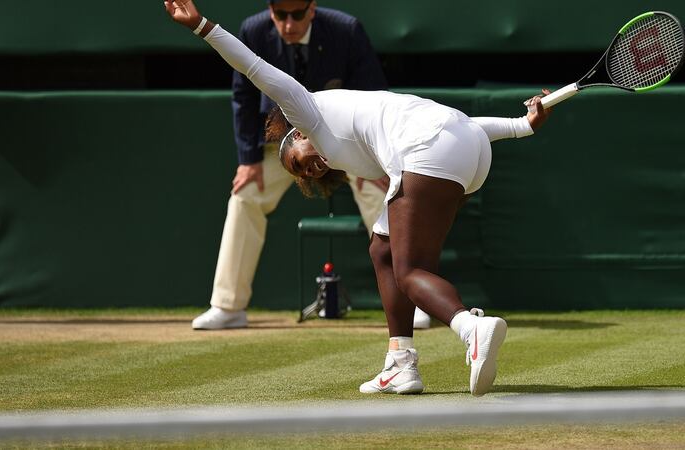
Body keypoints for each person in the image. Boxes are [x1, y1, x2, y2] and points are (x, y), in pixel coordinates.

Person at [164, 0, 551, 396]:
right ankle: (400, 363)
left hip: (433, 149)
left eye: (297, 162)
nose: (307, 170)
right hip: (468, 149)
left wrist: (202, 27)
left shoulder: (306, 112)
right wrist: (522, 126)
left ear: (296, 136)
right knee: (382, 251)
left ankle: (471, 327)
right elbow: (461, 128)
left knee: (409, 271)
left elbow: (255, 69)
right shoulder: (352, 140)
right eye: (302, 175)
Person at [190, 0, 433, 330]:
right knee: (245, 195)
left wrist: (379, 159)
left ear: (313, 9)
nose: (289, 24)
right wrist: (248, 161)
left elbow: (377, 97)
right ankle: (228, 306)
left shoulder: (346, 30)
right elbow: (243, 98)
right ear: (270, 11)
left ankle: (415, 298)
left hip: (347, 141)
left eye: (297, 15)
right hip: (285, 145)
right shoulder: (253, 30)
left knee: (386, 193)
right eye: (280, 16)